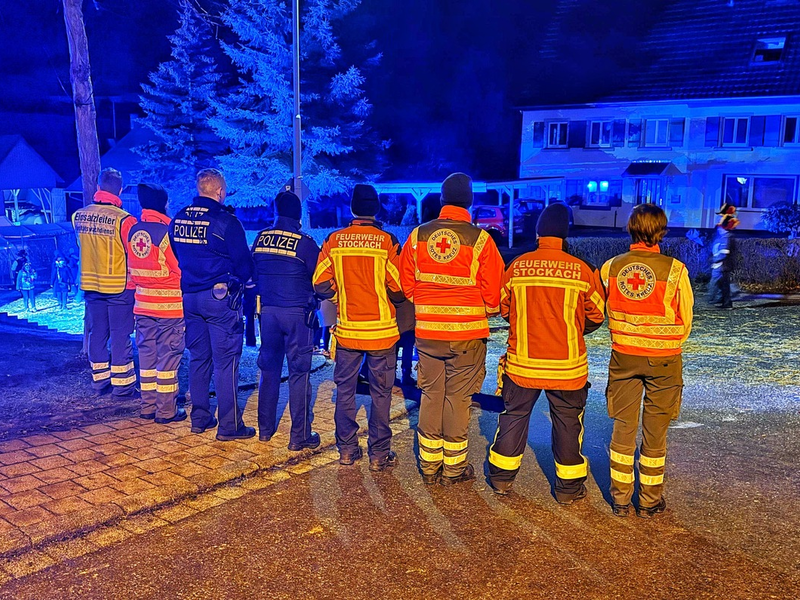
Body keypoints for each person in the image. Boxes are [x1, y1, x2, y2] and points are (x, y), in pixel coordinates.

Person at [487, 204, 606, 501]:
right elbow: (597, 314)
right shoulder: (582, 270)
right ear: (565, 235)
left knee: (513, 417)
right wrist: (575, 329)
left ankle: (501, 479)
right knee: (568, 424)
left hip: (523, 364)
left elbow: (504, 308)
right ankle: (568, 489)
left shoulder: (517, 266)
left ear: (538, 232)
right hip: (568, 368)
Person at [399, 172, 505, 485]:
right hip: (466, 337)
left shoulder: (418, 236)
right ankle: (454, 469)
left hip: (429, 334)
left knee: (431, 395)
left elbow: (406, 287)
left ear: (442, 200)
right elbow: (493, 296)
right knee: (458, 400)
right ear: (469, 202)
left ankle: (429, 467)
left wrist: (430, 301)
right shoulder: (481, 240)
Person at [600, 204, 693, 518]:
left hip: (624, 357)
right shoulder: (676, 270)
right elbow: (687, 320)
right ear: (661, 232)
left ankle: (620, 500)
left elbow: (605, 310)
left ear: (630, 228)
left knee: (623, 427)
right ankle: (649, 501)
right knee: (655, 432)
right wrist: (666, 344)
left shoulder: (610, 267)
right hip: (664, 360)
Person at [314, 184, 404, 471]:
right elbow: (399, 288)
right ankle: (379, 455)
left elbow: (319, 283)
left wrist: (340, 296)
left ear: (353, 209)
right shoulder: (386, 241)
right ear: (375, 209)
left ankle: (347, 451)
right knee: (381, 393)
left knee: (345, 390)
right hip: (381, 333)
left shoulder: (334, 240)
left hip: (348, 331)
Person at [169, 168, 255, 441]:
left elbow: (176, 252)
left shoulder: (178, 218)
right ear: (219, 191)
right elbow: (243, 263)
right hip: (219, 299)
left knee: (199, 359)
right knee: (226, 362)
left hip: (190, 298)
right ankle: (230, 427)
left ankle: (200, 418)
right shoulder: (226, 222)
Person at [252, 191, 321, 450]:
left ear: (276, 211)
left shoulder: (260, 238)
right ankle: (299, 436)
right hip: (297, 316)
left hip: (268, 314)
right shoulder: (305, 244)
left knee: (268, 371)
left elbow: (253, 272)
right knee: (299, 374)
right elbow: (320, 281)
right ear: (299, 215)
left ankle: (265, 430)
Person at [72, 167, 138, 397]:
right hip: (119, 286)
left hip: (91, 284)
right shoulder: (125, 221)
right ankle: (123, 385)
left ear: (99, 187)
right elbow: (132, 254)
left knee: (97, 332)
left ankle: (100, 382)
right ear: (120, 190)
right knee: (120, 334)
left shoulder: (78, 216)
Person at [126, 184, 186, 424]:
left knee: (147, 358)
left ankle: (147, 406)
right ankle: (166, 410)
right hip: (169, 306)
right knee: (168, 359)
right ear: (163, 203)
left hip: (142, 305)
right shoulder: (167, 232)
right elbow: (178, 268)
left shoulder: (133, 231)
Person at [708, 204, 738, 310]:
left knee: (725, 284)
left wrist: (716, 259)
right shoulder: (725, 234)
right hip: (723, 263)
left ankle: (727, 303)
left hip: (724, 264)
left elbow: (725, 251)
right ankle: (723, 300)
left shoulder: (727, 236)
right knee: (722, 283)